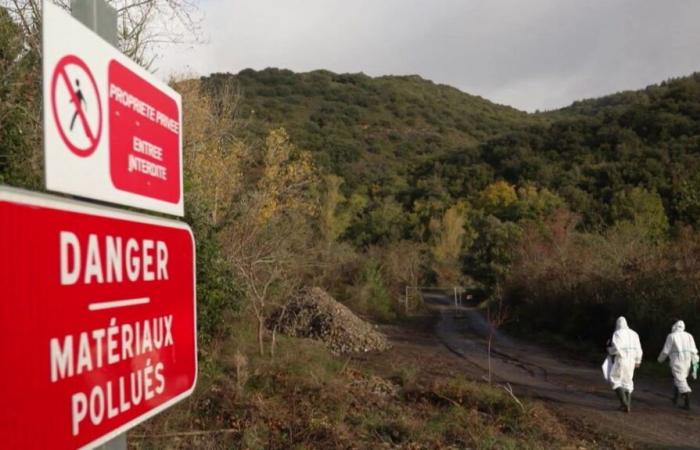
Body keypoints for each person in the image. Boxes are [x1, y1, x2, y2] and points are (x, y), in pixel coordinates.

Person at [657, 320, 699, 410]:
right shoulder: (689, 336)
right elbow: (694, 351)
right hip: (687, 361)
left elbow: (665, 351)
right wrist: (695, 365)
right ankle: (675, 398)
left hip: (677, 361)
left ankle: (687, 402)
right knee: (679, 379)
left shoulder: (671, 336)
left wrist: (660, 360)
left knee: (680, 381)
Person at [607, 316, 643, 413]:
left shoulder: (617, 333)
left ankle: (625, 404)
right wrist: (638, 360)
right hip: (631, 361)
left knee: (614, 379)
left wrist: (609, 350)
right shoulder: (634, 334)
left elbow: (615, 349)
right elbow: (638, 348)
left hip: (621, 359)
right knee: (628, 382)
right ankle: (627, 405)